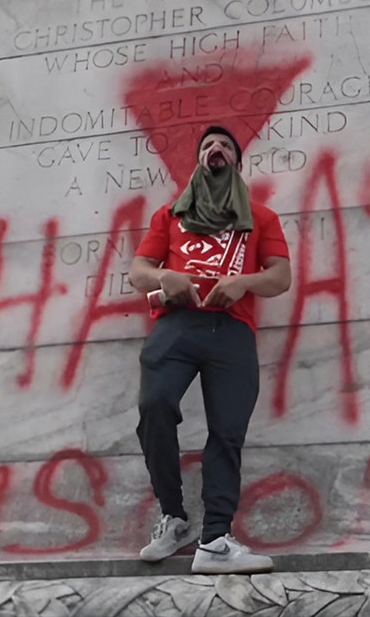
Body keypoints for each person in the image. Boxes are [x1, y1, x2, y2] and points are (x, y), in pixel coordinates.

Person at [129, 125, 291, 574]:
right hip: (176, 326)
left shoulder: (261, 217)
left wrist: (243, 283)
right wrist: (166, 278)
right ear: (198, 161)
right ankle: (173, 516)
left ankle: (215, 539)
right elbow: (138, 271)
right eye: (206, 146)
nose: (215, 149)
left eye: (224, 145)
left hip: (232, 331)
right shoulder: (170, 216)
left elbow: (280, 276)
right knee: (155, 406)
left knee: (228, 430)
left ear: (236, 162)